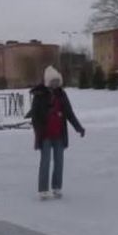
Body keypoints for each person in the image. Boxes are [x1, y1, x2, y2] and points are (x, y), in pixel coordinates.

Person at [26, 66, 85, 200]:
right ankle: (43, 189)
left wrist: (78, 128)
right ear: (47, 81)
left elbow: (69, 113)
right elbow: (35, 116)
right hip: (45, 134)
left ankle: (57, 187)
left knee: (59, 162)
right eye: (53, 81)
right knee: (45, 161)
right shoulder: (40, 95)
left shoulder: (61, 94)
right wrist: (39, 129)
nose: (55, 84)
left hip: (59, 134)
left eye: (57, 81)